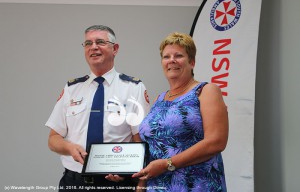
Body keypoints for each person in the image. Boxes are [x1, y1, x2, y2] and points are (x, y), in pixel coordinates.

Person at [45, 25, 150, 191]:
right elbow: (53, 139)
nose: (93, 47)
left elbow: (141, 140)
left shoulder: (133, 88)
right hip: (74, 182)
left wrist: (133, 175)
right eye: (88, 43)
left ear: (115, 49)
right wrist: (69, 147)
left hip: (116, 183)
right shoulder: (71, 88)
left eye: (100, 42)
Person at [132, 32, 228, 191]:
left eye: (178, 55)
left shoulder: (206, 91)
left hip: (196, 185)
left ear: (192, 62)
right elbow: (151, 149)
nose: (172, 60)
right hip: (157, 186)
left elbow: (216, 142)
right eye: (166, 56)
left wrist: (167, 164)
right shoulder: (159, 99)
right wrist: (139, 182)